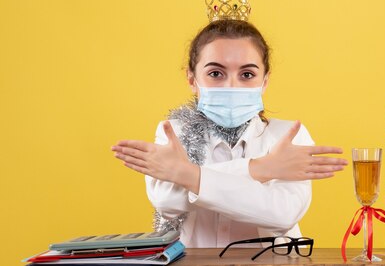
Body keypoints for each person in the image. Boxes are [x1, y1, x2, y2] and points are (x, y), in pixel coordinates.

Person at [111, 18, 348, 248]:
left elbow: (282, 214)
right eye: (216, 73)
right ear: (192, 79)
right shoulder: (174, 131)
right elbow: (167, 201)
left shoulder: (288, 135)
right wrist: (261, 168)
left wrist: (186, 174)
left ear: (265, 81)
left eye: (247, 75)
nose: (231, 86)